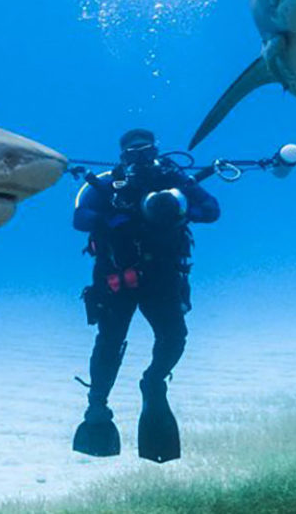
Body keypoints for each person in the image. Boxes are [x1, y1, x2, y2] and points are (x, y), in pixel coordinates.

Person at [70, 128, 219, 462]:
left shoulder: (175, 180)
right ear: (122, 156)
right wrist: (112, 218)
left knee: (174, 337)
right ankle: (97, 406)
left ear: (156, 151)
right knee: (109, 342)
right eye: (131, 153)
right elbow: (79, 217)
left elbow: (211, 210)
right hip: (115, 282)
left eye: (146, 151)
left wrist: (179, 208)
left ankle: (153, 382)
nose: (139, 158)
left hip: (161, 280)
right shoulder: (108, 184)